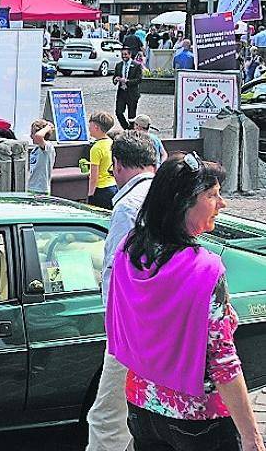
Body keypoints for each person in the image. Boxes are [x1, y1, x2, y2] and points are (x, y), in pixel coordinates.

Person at [106, 153, 265, 451]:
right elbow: (223, 362)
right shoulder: (205, 268)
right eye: (213, 195)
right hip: (197, 416)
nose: (222, 204)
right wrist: (251, 435)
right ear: (183, 202)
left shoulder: (130, 250)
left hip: (141, 402)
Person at [84, 130, 157, 451]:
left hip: (132, 325)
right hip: (160, 320)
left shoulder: (128, 206)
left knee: (106, 417)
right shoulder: (165, 194)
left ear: (116, 164)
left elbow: (116, 270)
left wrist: (114, 327)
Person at [86, 111, 117, 209]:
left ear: (96, 127)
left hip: (101, 188)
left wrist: (90, 195)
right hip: (113, 185)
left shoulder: (96, 148)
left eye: (90, 126)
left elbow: (94, 177)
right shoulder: (112, 142)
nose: (89, 129)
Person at [113, 47, 142, 130]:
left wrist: (127, 81)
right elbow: (115, 76)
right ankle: (126, 128)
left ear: (130, 54)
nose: (124, 56)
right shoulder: (119, 65)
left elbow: (139, 79)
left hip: (132, 93)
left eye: (125, 54)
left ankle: (132, 130)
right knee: (118, 112)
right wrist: (115, 80)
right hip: (121, 93)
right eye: (122, 55)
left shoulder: (136, 65)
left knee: (131, 115)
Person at [28, 119, 56, 195]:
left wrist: (48, 127)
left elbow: (38, 136)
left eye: (32, 133)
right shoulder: (36, 149)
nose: (31, 136)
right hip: (31, 187)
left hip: (41, 189)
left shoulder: (48, 147)